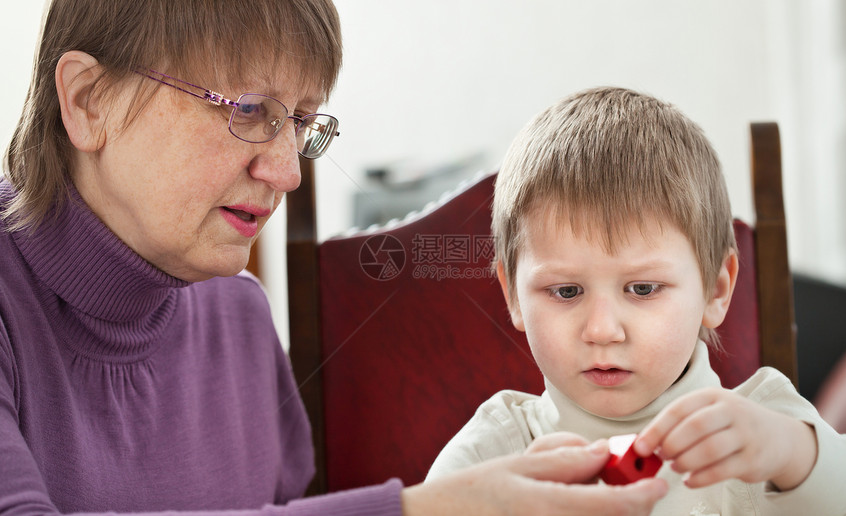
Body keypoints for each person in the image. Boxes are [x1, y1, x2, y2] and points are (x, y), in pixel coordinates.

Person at [0, 1, 668, 515]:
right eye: (251, 109)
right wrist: (429, 508)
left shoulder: (238, 316)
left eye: (299, 122)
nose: (287, 171)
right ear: (88, 101)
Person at [425, 87, 846, 515]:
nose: (602, 330)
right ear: (512, 296)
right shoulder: (495, 449)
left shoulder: (764, 422)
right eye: (566, 291)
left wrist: (793, 453)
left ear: (716, 290)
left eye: (643, 289)